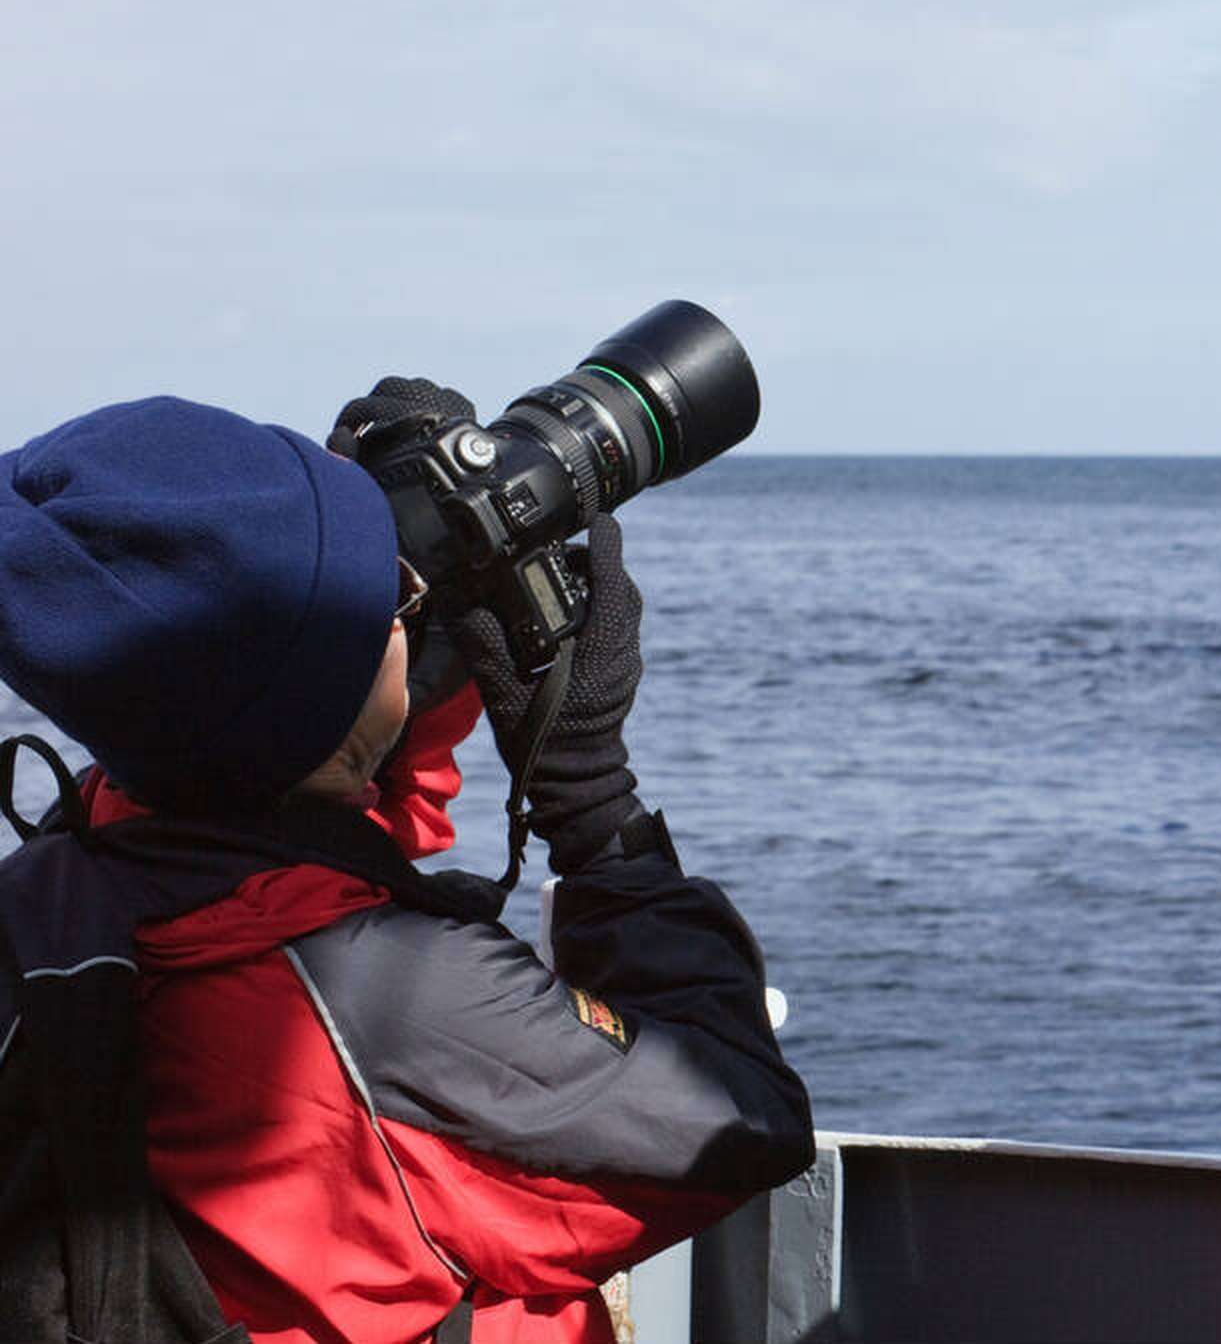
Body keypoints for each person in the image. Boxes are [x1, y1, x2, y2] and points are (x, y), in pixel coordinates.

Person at [0, 391, 814, 1344]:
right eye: (391, 602)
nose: (404, 611)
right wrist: (594, 806)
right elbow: (743, 1124)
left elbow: (314, 826)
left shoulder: (85, 848)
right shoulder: (393, 1003)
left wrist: (394, 644)